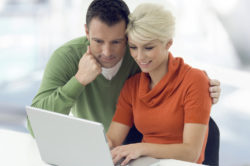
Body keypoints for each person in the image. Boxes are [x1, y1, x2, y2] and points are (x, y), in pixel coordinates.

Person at [27, 0, 221, 142]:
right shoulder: (66, 57)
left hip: (142, 140)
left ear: (128, 36)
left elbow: (173, 76)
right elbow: (35, 127)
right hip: (103, 143)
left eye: (117, 42)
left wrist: (205, 86)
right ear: (87, 32)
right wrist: (78, 80)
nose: (107, 52)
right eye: (98, 41)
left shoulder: (138, 55)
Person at [106, 3, 213, 165]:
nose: (139, 56)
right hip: (145, 162)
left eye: (148, 47)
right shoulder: (132, 86)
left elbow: (190, 153)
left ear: (168, 43)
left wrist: (141, 148)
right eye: (133, 47)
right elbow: (112, 140)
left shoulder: (195, 80)